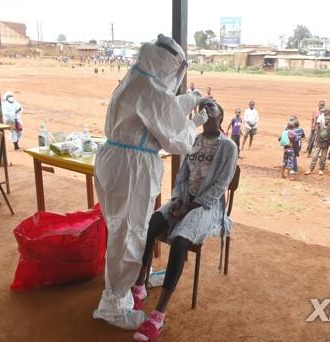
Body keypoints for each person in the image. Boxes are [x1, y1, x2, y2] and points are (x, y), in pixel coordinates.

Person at [93, 34, 208, 330]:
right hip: (132, 169)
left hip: (116, 161)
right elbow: (177, 140)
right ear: (171, 67)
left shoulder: (137, 78)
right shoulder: (150, 88)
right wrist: (194, 124)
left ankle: (115, 293)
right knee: (129, 233)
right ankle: (115, 305)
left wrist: (191, 100)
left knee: (120, 231)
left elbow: (161, 108)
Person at [131, 100, 238, 341]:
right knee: (154, 222)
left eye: (213, 108)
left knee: (180, 239)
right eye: (204, 108)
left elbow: (221, 185)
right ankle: (139, 285)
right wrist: (178, 200)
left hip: (207, 205)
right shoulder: (193, 140)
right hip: (184, 199)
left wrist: (190, 207)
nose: (207, 111)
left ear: (221, 116)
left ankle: (158, 314)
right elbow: (182, 176)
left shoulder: (228, 147)